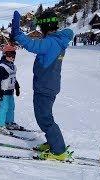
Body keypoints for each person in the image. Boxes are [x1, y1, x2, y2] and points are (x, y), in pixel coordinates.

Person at [11, 10, 74, 161]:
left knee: (44, 119)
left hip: (45, 87)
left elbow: (32, 45)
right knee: (45, 116)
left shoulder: (50, 42)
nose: (39, 30)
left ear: (44, 27)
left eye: (40, 27)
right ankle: (53, 143)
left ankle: (58, 151)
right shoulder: (58, 39)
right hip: (49, 85)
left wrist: (17, 33)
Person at [0, 44, 22, 135]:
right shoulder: (2, 67)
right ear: (4, 55)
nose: (11, 57)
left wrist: (17, 87)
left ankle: (9, 122)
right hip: (3, 91)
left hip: (10, 91)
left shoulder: (12, 65)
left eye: (13, 55)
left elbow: (13, 77)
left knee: (11, 107)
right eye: (9, 55)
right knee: (4, 107)